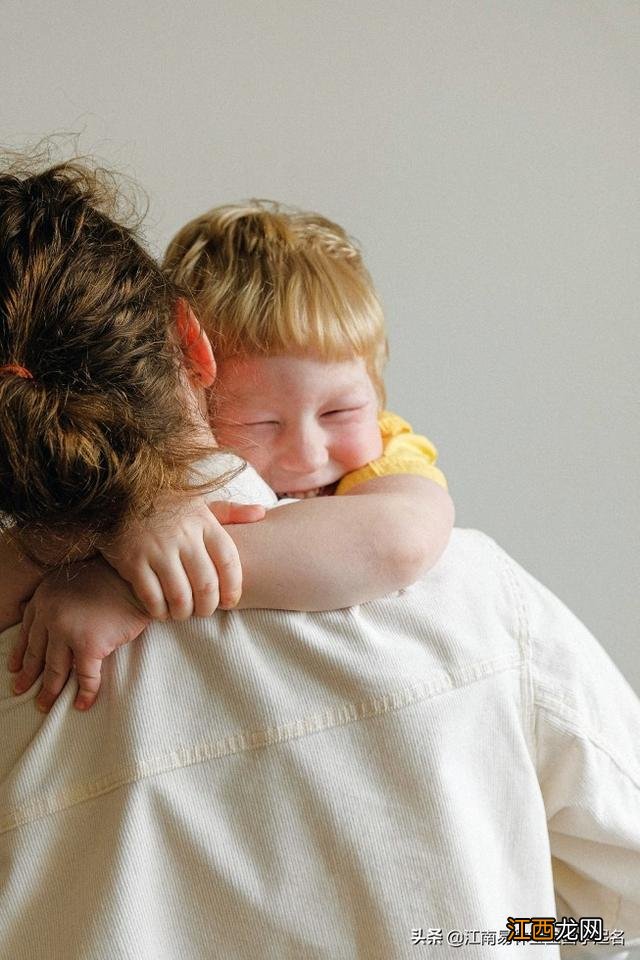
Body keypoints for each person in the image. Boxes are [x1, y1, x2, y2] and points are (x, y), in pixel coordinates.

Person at [0, 160, 452, 711]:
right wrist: (121, 521)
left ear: (377, 392)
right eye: (261, 423)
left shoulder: (389, 456)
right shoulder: (152, 478)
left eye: (340, 411)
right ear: (195, 371)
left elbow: (397, 542)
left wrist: (133, 586)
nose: (308, 454)